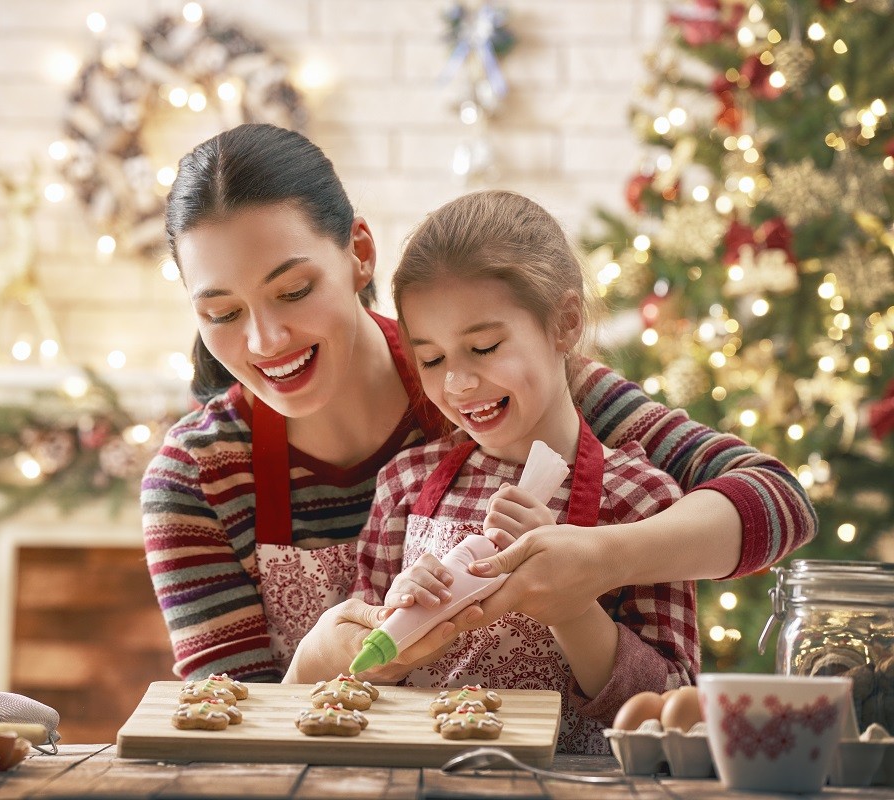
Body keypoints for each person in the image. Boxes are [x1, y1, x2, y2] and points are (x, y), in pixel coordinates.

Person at [141, 122, 815, 686]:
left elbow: (778, 503)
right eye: (223, 311)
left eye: (293, 291)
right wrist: (318, 664)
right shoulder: (196, 479)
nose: (266, 339)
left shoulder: (498, 386)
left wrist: (601, 562)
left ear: (360, 254)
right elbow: (226, 738)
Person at [350, 189, 696, 754]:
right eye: (432, 360)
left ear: (564, 322)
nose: (457, 384)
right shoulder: (405, 486)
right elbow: (359, 683)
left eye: (483, 347)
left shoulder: (639, 501)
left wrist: (571, 605)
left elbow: (674, 713)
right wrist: (391, 626)